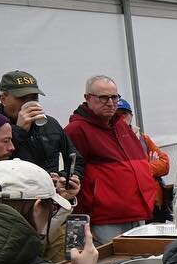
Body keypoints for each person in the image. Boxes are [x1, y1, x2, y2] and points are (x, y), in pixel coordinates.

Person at [64, 74, 157, 244]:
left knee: (138, 263)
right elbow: (73, 177)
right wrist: (81, 220)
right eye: (103, 98)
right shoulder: (77, 130)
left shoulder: (120, 124)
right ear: (88, 98)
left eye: (114, 97)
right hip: (106, 218)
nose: (110, 102)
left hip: (137, 210)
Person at [0, 71, 82, 202]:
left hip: (52, 200)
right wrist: (19, 131)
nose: (29, 103)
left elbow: (76, 160)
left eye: (34, 98)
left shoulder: (50, 123)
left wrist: (63, 177)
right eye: (22, 98)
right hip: (15, 203)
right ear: (3, 99)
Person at [116, 99, 170, 221]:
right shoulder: (112, 140)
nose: (121, 117)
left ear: (131, 116)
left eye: (124, 113)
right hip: (134, 204)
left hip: (155, 202)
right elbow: (124, 172)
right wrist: (149, 166)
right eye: (117, 114)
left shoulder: (143, 138)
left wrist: (142, 170)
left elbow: (165, 163)